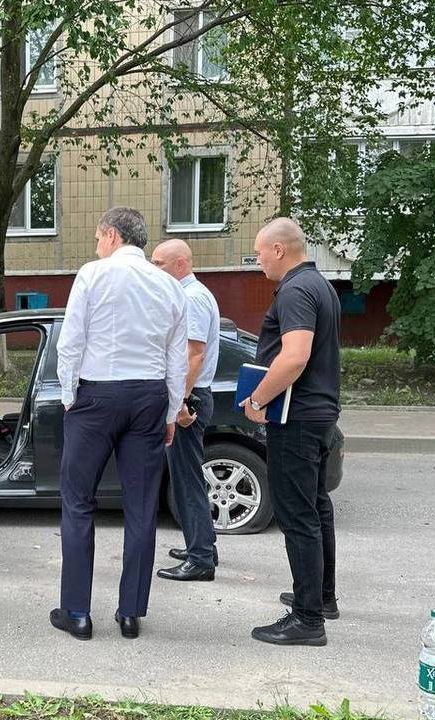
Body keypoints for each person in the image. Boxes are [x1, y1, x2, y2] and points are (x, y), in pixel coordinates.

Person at [51, 207, 188, 641]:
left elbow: (71, 340)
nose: (96, 245)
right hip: (148, 396)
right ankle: (131, 613)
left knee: (77, 502)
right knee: (141, 506)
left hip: (96, 395)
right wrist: (170, 411)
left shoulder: (92, 274)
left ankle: (76, 612)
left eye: (97, 236)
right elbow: (176, 357)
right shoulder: (169, 285)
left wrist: (70, 396)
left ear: (111, 235)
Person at [241, 218, 342, 646]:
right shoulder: (320, 284)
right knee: (316, 508)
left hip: (296, 418)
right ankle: (321, 598)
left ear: (279, 250)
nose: (258, 260)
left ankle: (306, 620)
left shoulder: (297, 290)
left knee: (298, 516)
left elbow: (294, 357)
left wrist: (258, 399)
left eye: (260, 252)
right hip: (318, 416)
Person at [150, 239, 220, 581]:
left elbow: (195, 355)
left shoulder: (191, 299)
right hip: (193, 395)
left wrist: (179, 402)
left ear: (180, 265)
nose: (154, 269)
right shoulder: (191, 295)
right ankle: (203, 542)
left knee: (186, 481)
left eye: (159, 263)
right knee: (189, 476)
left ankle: (201, 559)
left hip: (189, 400)